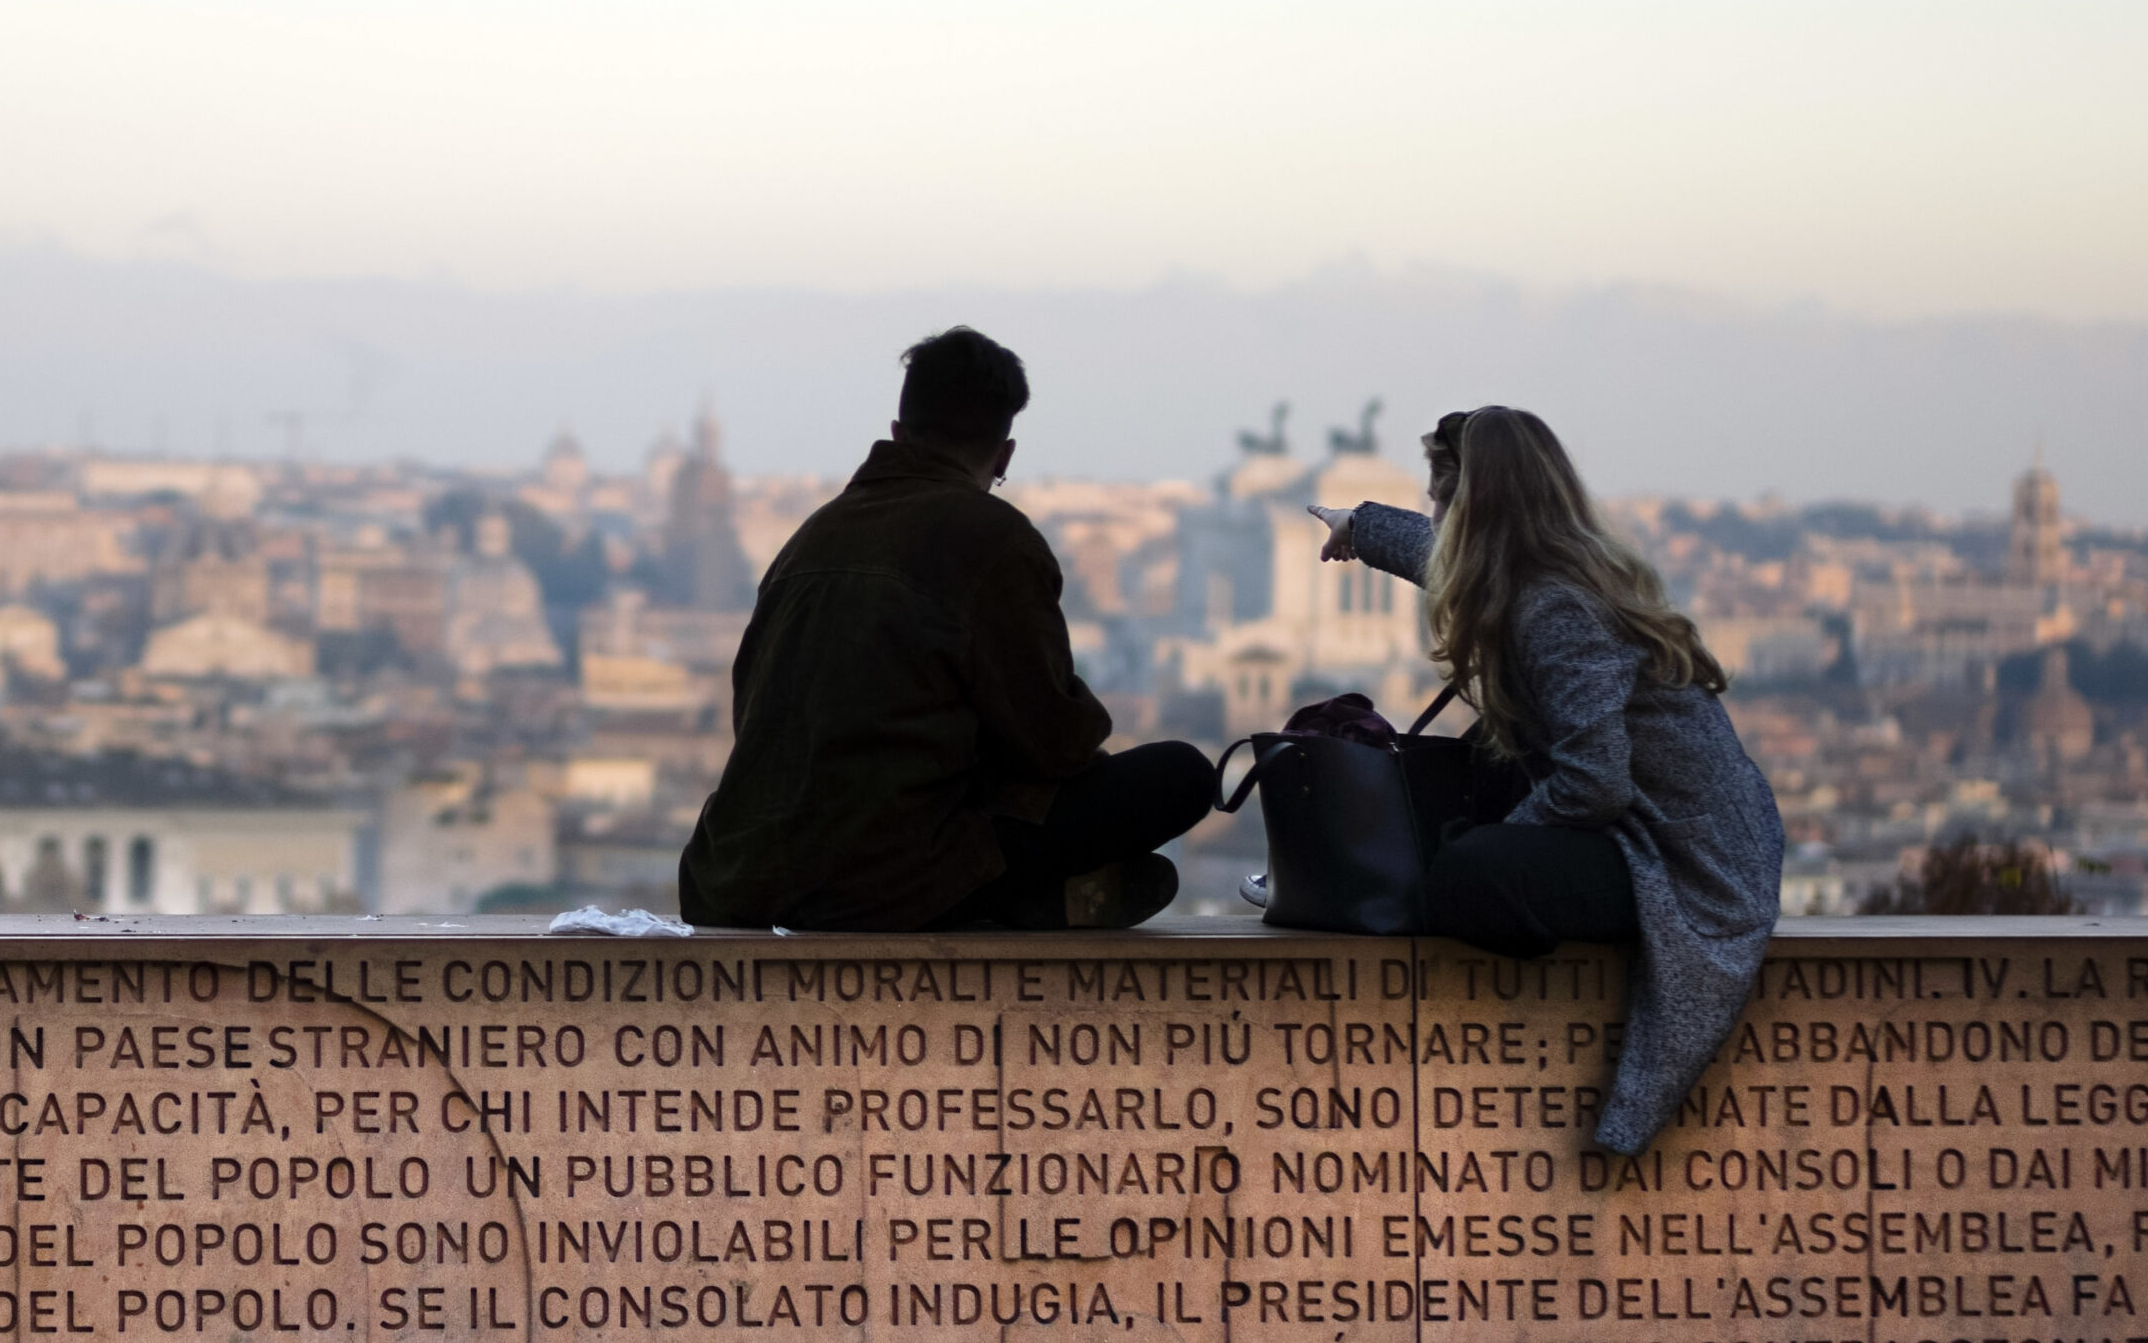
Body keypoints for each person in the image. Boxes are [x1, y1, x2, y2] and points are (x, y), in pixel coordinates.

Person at [1311, 407, 1783, 1154]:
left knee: (1470, 877)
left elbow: (1596, 786)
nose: (1435, 517)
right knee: (1478, 770)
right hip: (1662, 830)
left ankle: (1380, 886)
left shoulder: (1555, 608)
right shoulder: (1538, 574)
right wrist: (1360, 527)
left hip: (1684, 862)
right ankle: (1369, 881)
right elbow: (1445, 555)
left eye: (1441, 501)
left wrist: (1493, 844)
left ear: (1471, 509)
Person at [679, 327, 1213, 931]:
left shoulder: (811, 537)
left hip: (733, 876)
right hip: (885, 881)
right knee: (1183, 775)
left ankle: (1025, 900)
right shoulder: (994, 539)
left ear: (899, 434)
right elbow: (1054, 744)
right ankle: (1013, 901)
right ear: (1003, 455)